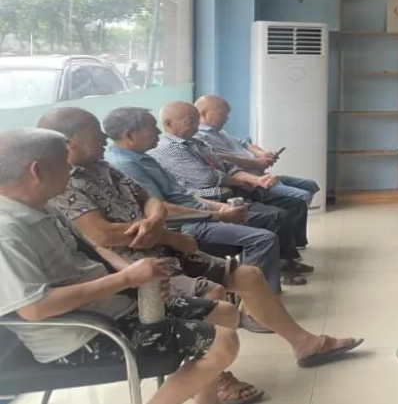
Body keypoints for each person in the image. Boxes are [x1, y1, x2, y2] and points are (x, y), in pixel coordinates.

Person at [34, 108, 363, 365]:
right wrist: (168, 229)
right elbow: (102, 235)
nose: (105, 137)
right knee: (218, 295)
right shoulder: (62, 183)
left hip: (165, 243)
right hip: (137, 267)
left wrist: (154, 221)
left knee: (248, 275)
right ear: (68, 141)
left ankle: (305, 344)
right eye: (96, 131)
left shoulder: (104, 166)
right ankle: (219, 378)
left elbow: (151, 199)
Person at [0, 127, 251, 404]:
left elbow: (94, 249)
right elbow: (35, 308)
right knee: (222, 343)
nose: (70, 168)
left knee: (226, 312)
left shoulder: (42, 206)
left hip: (114, 308)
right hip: (84, 336)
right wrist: (126, 280)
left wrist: (137, 276)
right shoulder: (7, 232)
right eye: (63, 161)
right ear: (37, 171)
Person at [103, 106, 296, 292]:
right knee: (263, 238)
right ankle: (258, 300)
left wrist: (221, 209)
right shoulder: (126, 165)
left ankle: (255, 289)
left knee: (271, 215)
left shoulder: (144, 157)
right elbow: (163, 209)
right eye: (152, 128)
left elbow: (184, 195)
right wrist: (217, 214)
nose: (158, 132)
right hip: (185, 225)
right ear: (129, 134)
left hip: (199, 211)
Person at [149, 101, 312, 264]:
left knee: (290, 205)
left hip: (233, 193)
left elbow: (227, 166)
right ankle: (276, 265)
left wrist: (257, 180)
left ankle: (283, 260)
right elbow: (208, 178)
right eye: (190, 121)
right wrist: (246, 181)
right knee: (276, 217)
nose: (196, 125)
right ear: (168, 124)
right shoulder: (168, 149)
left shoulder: (196, 143)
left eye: (196, 120)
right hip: (211, 202)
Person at [194, 95, 320, 206]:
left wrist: (262, 153)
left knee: (311, 185)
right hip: (249, 182)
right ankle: (290, 219)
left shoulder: (220, 131)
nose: (227, 118)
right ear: (205, 113)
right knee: (303, 196)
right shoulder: (198, 137)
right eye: (223, 113)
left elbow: (244, 143)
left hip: (261, 174)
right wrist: (256, 163)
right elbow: (218, 158)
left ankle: (292, 216)